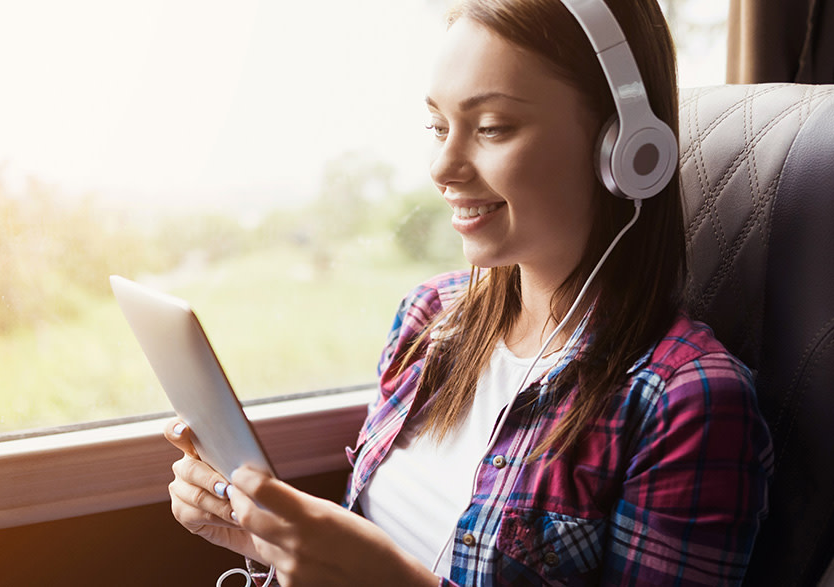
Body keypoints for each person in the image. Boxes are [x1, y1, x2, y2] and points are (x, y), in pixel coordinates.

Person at [164, 0, 773, 584]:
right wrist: (268, 539)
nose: (441, 167)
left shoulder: (686, 403)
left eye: (491, 127)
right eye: (437, 126)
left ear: (626, 149)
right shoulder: (431, 318)